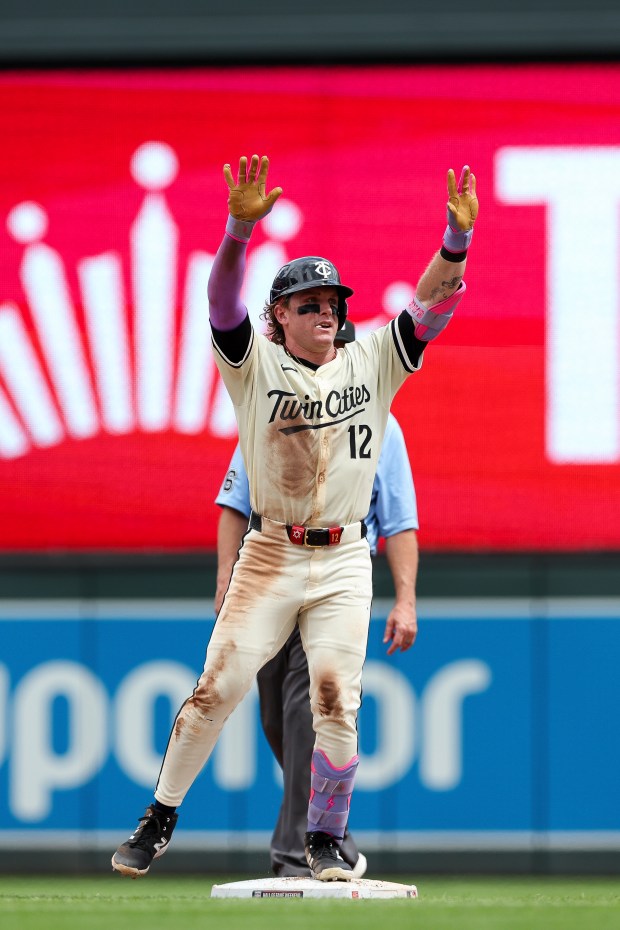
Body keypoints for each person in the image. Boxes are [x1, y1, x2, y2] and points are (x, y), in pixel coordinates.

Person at [111, 154, 478, 882]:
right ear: (279, 316)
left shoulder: (371, 361)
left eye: (332, 303)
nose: (326, 313)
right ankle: (160, 815)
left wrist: (454, 243)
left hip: (344, 556)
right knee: (216, 689)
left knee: (338, 700)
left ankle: (323, 837)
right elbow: (220, 301)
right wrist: (238, 234)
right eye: (308, 304)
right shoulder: (255, 368)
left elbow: (431, 306)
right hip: (272, 552)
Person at [215, 320, 420, 879]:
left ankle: (295, 855)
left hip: (335, 577)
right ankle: (336, 835)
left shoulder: (383, 424)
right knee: (276, 720)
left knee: (309, 714)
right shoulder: (273, 410)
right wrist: (226, 584)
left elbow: (398, 521)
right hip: (270, 574)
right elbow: (236, 503)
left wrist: (405, 599)